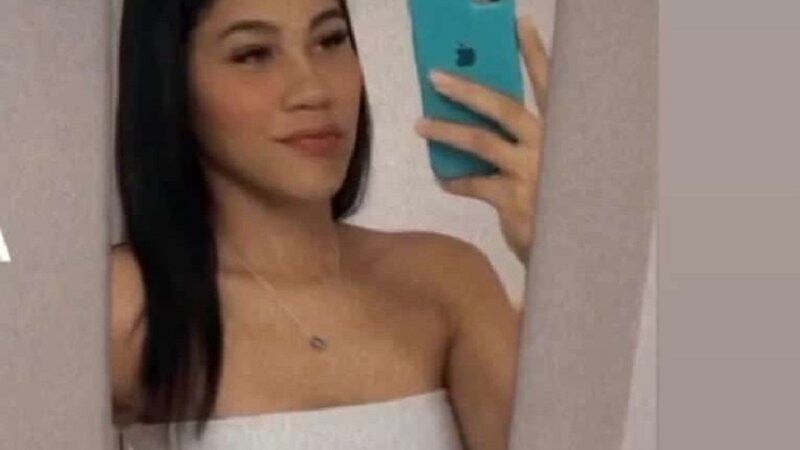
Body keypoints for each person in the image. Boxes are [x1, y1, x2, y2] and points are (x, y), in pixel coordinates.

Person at [110, 0, 549, 449]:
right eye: (254, 54)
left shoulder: (448, 282)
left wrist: (558, 250)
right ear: (170, 81)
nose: (313, 89)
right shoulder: (126, 305)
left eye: (330, 40)